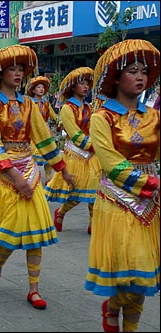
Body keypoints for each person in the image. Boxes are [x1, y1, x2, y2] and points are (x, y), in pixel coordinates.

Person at [0, 44, 75, 310]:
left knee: (35, 233)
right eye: (12, 68)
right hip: (5, 173)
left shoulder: (29, 104)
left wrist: (62, 168)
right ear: (0, 72)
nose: (17, 73)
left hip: (31, 169)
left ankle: (34, 289)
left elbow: (43, 137)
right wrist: (14, 176)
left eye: (21, 69)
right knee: (12, 231)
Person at [86, 39, 160, 333]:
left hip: (151, 204)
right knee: (128, 275)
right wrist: (150, 182)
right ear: (116, 76)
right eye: (132, 70)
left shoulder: (154, 117)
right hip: (117, 202)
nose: (140, 76)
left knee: (142, 276)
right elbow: (110, 162)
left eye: (144, 70)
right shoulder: (102, 117)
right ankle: (113, 306)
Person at [44, 67, 102, 235]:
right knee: (77, 192)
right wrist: (92, 144)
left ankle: (93, 223)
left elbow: (93, 127)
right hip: (76, 153)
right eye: (81, 84)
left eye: (87, 84)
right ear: (73, 87)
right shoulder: (67, 108)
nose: (85, 87)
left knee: (95, 189)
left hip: (92, 153)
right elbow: (74, 133)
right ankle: (61, 212)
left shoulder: (89, 107)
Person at [25, 75, 61, 184]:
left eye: (42, 87)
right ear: (33, 89)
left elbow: (54, 116)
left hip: (46, 132)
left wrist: (59, 124)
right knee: (32, 158)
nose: (41, 89)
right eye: (38, 87)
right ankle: (30, 177)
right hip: (33, 133)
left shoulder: (46, 104)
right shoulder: (29, 103)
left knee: (48, 157)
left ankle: (48, 178)